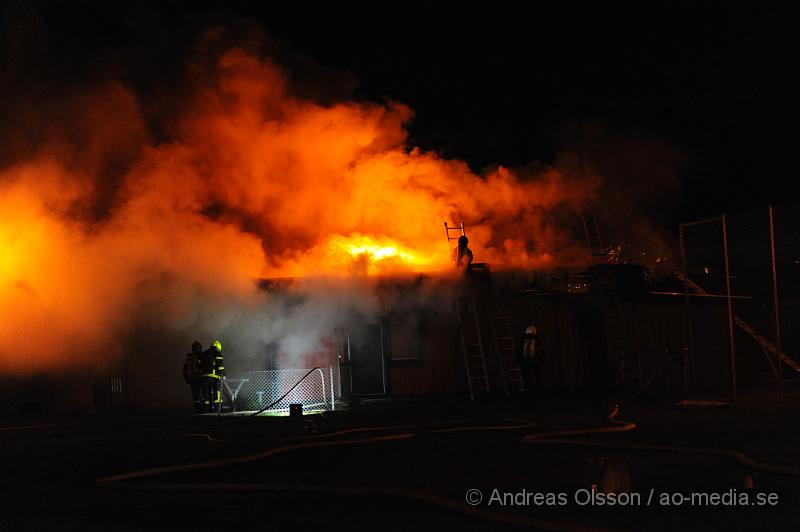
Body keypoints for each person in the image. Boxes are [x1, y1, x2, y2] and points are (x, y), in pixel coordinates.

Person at [518, 324, 544, 396]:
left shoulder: (522, 339)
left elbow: (519, 349)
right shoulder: (537, 339)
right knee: (537, 375)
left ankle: (528, 389)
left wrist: (518, 360)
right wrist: (541, 360)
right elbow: (540, 350)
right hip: (534, 361)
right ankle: (538, 389)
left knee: (527, 376)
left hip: (525, 361)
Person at [201, 340, 225, 413]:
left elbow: (199, 365)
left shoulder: (204, 353)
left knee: (206, 394)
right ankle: (217, 410)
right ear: (218, 347)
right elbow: (220, 367)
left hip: (204, 377)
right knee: (216, 393)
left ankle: (206, 410)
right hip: (214, 377)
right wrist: (223, 375)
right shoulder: (217, 353)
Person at [182, 341, 204, 413]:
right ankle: (204, 409)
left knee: (196, 396)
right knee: (203, 393)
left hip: (192, 378)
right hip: (200, 377)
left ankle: (197, 410)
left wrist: (186, 378)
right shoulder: (201, 355)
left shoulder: (188, 357)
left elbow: (185, 368)